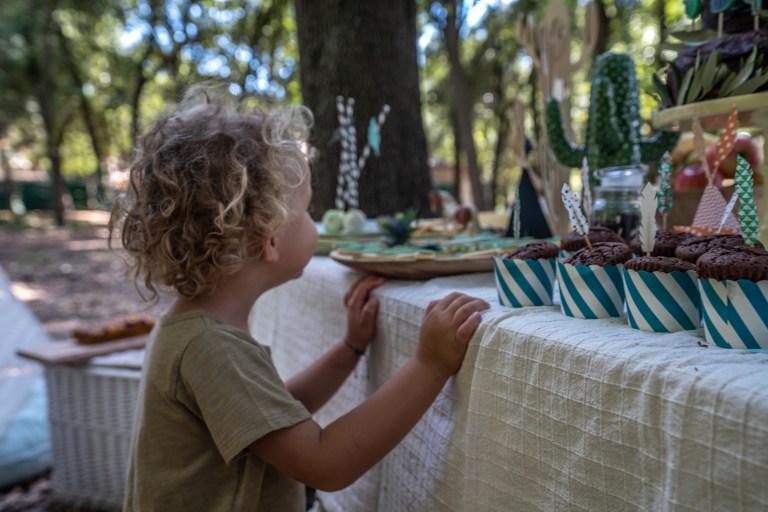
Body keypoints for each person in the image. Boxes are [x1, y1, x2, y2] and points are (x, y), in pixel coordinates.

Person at [109, 85, 490, 512]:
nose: (315, 224)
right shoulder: (209, 347)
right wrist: (429, 365)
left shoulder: (199, 329)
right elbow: (324, 461)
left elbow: (273, 416)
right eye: (308, 210)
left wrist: (350, 349)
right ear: (268, 238)